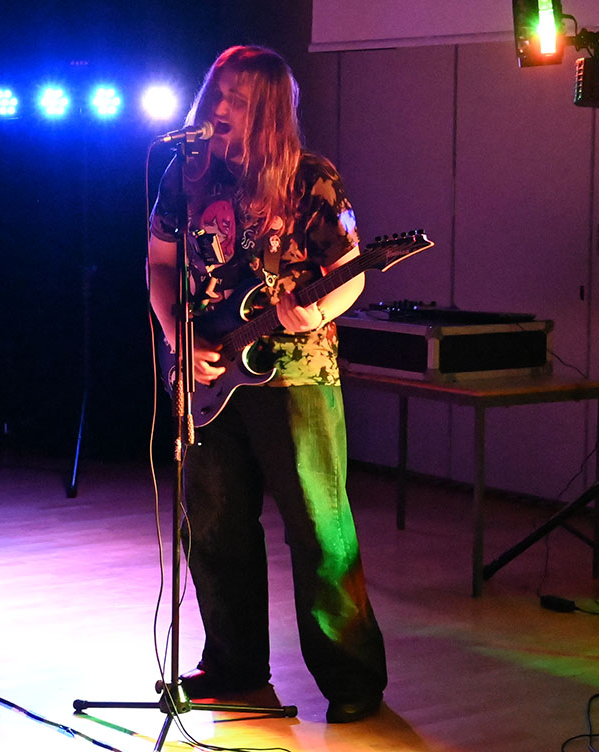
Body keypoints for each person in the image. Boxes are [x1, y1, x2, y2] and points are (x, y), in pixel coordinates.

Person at [147, 45, 387, 723]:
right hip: (205, 371)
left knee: (318, 527)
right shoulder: (185, 170)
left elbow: (351, 270)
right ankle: (234, 668)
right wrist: (179, 337)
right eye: (218, 92)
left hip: (296, 374)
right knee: (215, 525)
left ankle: (353, 680)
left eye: (240, 99)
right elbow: (159, 261)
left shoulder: (312, 179)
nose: (221, 107)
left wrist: (316, 310)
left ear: (269, 110)